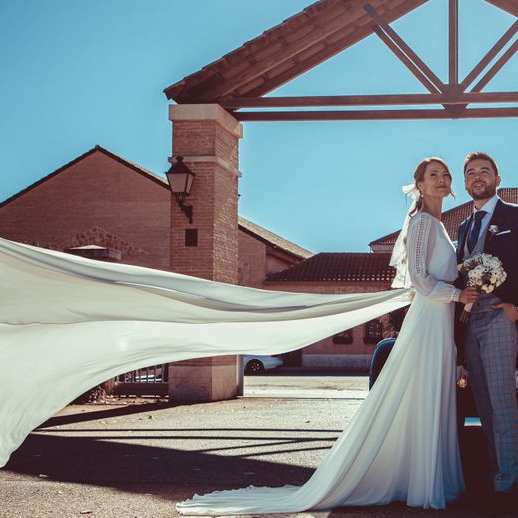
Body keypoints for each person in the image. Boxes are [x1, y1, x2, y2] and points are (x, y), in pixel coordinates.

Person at [176, 157, 479, 515]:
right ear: (420, 185)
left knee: (428, 396)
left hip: (441, 323)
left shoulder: (441, 226)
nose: (442, 180)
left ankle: (424, 476)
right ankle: (417, 482)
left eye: (445, 175)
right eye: (434, 175)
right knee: (419, 393)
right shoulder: (421, 224)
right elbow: (419, 280)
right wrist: (459, 294)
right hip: (428, 322)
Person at [454, 151, 518, 499]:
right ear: (465, 182)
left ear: (498, 180)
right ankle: (495, 471)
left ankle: (507, 483)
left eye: (485, 171)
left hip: (500, 318)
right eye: (471, 173)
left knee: (501, 401)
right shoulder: (464, 227)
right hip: (471, 322)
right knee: (482, 403)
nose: (477, 177)